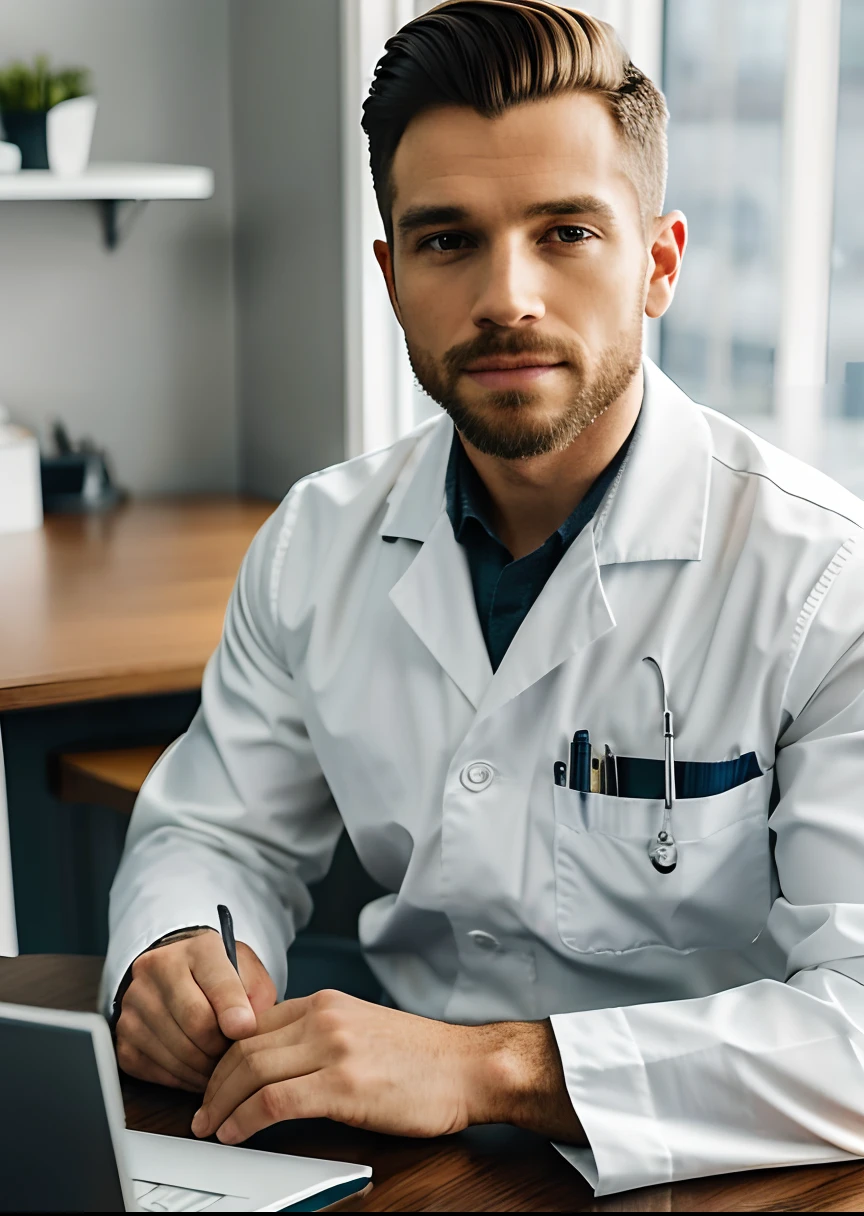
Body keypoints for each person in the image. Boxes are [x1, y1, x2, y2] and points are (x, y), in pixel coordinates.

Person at [102, 0, 864, 1196]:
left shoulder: (826, 578)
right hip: (391, 1165)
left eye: (564, 231)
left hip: (723, 1179)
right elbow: (217, 829)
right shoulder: (318, 539)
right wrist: (182, 945)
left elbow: (859, 1035)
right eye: (448, 240)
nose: (507, 295)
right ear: (393, 272)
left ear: (659, 262)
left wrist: (491, 1068)